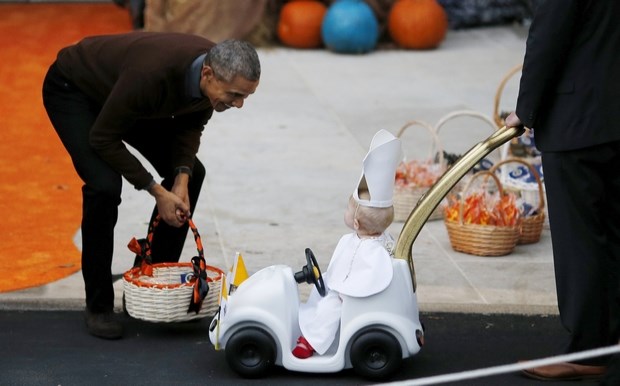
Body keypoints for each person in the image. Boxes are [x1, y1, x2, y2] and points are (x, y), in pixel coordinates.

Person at [42, 32, 261, 340]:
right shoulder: (151, 75)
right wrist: (157, 192)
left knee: (193, 173)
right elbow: (103, 138)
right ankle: (98, 305)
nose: (238, 104)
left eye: (245, 97)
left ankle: (149, 285)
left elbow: (190, 125)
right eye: (235, 95)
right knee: (104, 186)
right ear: (208, 74)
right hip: (75, 90)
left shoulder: (211, 72)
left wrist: (181, 180)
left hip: (126, 96)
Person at [503, 0, 620, 381]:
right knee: (611, 233)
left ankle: (587, 350)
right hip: (610, 112)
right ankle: (608, 339)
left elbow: (549, 35)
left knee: (580, 240)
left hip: (577, 121)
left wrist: (525, 109)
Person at [292, 129, 402, 358]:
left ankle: (311, 341)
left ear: (355, 221)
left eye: (348, 209)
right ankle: (309, 326)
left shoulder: (374, 251)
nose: (345, 212)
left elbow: (369, 278)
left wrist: (345, 293)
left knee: (330, 306)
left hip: (353, 297)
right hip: (343, 288)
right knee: (323, 293)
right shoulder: (364, 239)